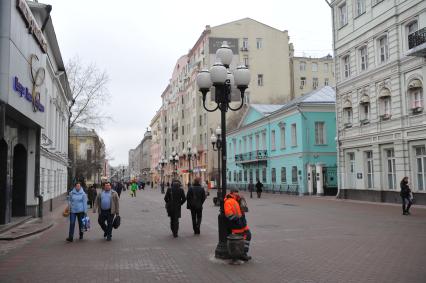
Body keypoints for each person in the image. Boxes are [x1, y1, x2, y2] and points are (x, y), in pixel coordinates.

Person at [224, 189, 252, 261]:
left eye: (237, 192)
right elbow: (229, 214)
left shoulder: (237, 200)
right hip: (237, 225)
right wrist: (237, 220)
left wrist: (242, 202)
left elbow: (244, 210)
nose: (237, 193)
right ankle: (241, 254)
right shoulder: (228, 201)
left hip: (242, 224)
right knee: (239, 239)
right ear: (232, 193)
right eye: (236, 192)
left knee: (248, 235)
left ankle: (243, 253)